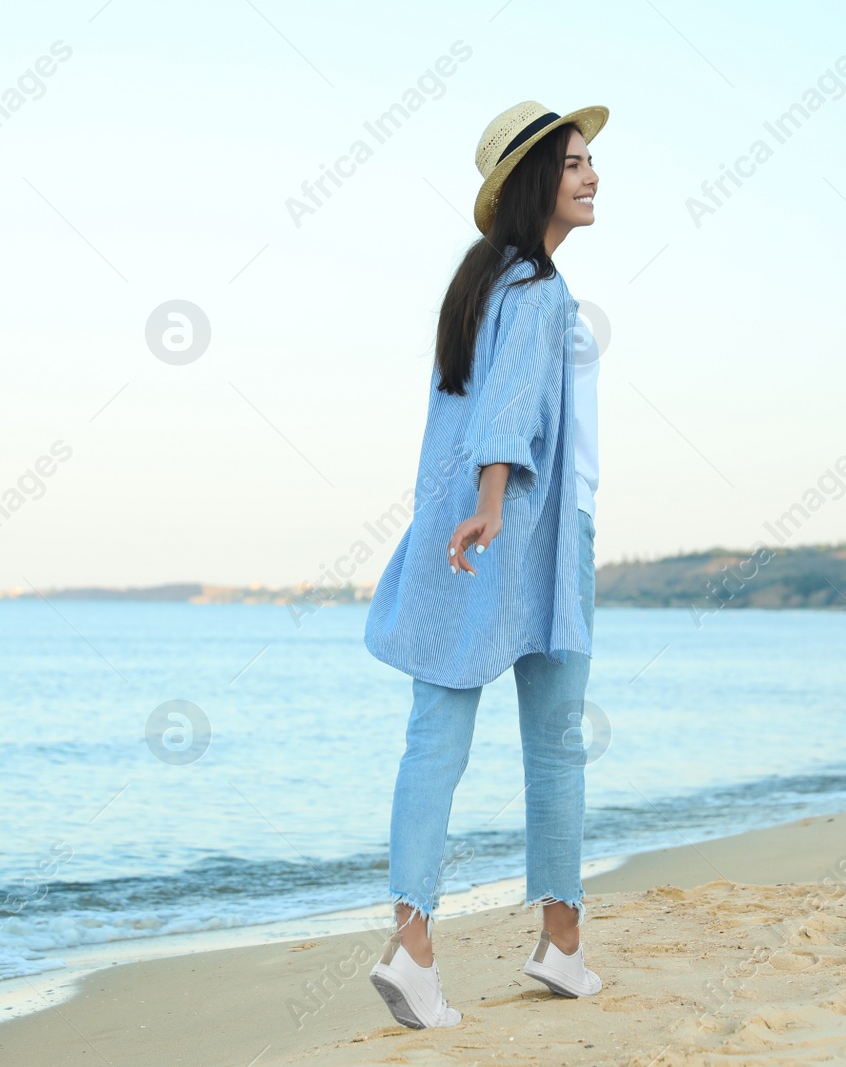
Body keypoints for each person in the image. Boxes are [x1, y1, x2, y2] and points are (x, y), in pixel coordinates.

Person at [362, 100, 608, 1029]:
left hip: (459, 522)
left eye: (593, 163)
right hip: (528, 528)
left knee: (436, 733)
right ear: (532, 182)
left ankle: (419, 940)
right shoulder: (540, 290)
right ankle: (555, 941)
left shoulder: (479, 283)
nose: (591, 177)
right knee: (555, 741)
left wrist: (469, 509)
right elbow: (507, 411)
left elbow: (464, 415)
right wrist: (496, 503)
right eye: (575, 163)